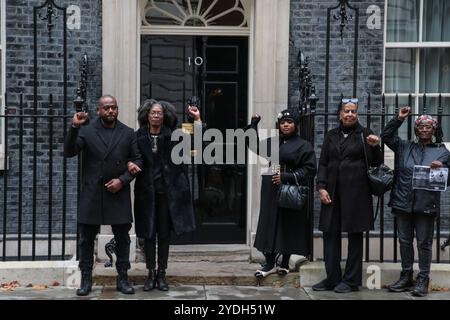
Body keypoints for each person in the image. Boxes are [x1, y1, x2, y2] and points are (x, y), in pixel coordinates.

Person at [64, 95, 142, 296]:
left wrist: (122, 180)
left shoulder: (128, 133)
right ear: (98, 111)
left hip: (118, 193)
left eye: (114, 108)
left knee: (123, 239)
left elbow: (137, 161)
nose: (110, 111)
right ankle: (86, 280)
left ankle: (123, 279)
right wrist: (74, 127)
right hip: (92, 193)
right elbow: (69, 151)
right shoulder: (87, 131)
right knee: (86, 240)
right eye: (106, 108)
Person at [127, 99, 198, 291]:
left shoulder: (174, 135)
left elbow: (194, 142)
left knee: (164, 235)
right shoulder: (138, 136)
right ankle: (150, 273)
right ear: (147, 116)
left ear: (164, 116)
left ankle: (162, 274)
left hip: (168, 195)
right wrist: (129, 164)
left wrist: (195, 120)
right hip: (146, 194)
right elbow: (130, 156)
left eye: (159, 113)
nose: (156, 115)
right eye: (153, 113)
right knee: (148, 235)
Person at [312, 98, 382, 293]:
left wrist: (376, 147)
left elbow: (376, 164)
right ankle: (332, 278)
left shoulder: (365, 134)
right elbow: (323, 163)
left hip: (357, 193)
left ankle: (351, 281)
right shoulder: (331, 135)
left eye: (353, 111)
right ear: (340, 114)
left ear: (357, 114)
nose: (350, 114)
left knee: (355, 236)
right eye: (346, 111)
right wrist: (321, 187)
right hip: (332, 192)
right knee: (330, 234)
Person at [382, 107, 450, 297]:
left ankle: (423, 279)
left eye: (428, 127)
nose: (424, 130)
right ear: (416, 130)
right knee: (404, 241)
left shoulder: (442, 152)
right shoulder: (404, 147)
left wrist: (442, 167)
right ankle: (405, 277)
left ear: (434, 130)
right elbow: (385, 136)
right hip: (403, 202)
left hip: (426, 205)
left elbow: (448, 178)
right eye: (421, 126)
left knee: (424, 243)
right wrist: (398, 119)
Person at [248, 109, 317, 278]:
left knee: (288, 225)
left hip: (289, 190)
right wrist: (253, 125)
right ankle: (270, 263)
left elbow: (310, 169)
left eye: (290, 122)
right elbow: (253, 145)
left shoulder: (303, 145)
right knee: (269, 224)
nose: (286, 125)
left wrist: (286, 177)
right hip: (271, 189)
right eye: (283, 122)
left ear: (296, 125)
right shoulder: (273, 142)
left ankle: (285, 262)